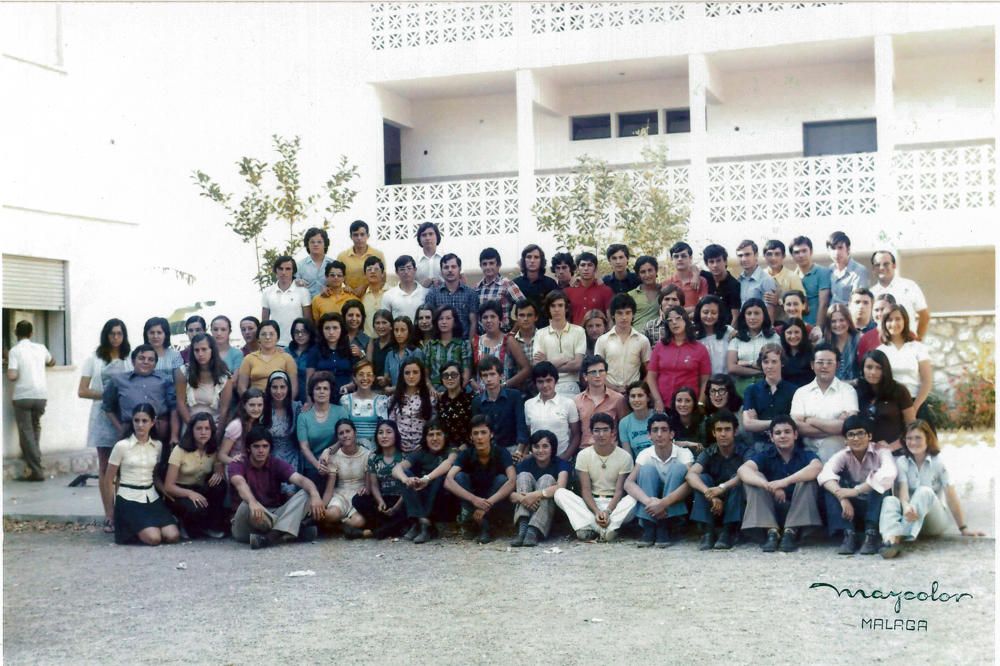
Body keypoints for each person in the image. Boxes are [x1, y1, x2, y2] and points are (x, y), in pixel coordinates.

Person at [879, 420, 984, 558]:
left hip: (933, 522)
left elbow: (951, 496)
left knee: (924, 491)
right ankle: (891, 542)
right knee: (890, 500)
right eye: (909, 438)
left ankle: (899, 534)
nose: (913, 442)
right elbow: (902, 493)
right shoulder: (902, 462)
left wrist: (963, 528)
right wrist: (905, 507)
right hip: (911, 516)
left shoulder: (938, 462)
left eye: (918, 438)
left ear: (928, 439)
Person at [737, 415, 823, 552]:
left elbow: (817, 467)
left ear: (795, 435)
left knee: (809, 479)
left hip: (799, 511)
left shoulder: (805, 455)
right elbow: (743, 470)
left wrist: (783, 482)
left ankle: (790, 532)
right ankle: (771, 532)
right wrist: (768, 485)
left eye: (787, 432)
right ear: (771, 437)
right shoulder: (765, 455)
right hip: (770, 511)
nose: (782, 436)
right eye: (777, 433)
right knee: (754, 478)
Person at [229, 427, 325, 549]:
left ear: (270, 448)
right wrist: (253, 502)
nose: (261, 450)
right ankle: (290, 530)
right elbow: (240, 483)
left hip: (273, 513)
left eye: (265, 446)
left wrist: (315, 495)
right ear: (248, 448)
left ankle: (270, 537)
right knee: (246, 505)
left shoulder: (275, 463)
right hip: (247, 521)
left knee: (307, 493)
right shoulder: (238, 463)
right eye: (256, 446)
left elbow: (301, 480)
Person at [102, 403, 181, 546]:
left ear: (153, 422)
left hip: (151, 497)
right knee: (154, 538)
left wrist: (165, 490)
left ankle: (144, 527)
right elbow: (108, 480)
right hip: (128, 498)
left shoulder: (158, 445)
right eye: (136, 420)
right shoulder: (121, 446)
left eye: (144, 421)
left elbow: (154, 475)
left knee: (173, 535)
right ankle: (130, 527)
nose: (140, 425)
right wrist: (110, 511)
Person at [80, 319, 133, 526]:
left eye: (119, 334)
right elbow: (82, 390)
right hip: (102, 416)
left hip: (124, 416)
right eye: (112, 334)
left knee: (123, 467)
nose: (116, 338)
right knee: (105, 467)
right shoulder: (94, 358)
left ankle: (122, 513)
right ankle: (109, 514)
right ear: (106, 335)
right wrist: (107, 395)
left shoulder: (129, 357)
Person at [819, 415, 896, 555]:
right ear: (845, 440)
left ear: (870, 436)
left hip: (876, 507)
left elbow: (888, 473)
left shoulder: (881, 452)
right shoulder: (842, 455)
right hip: (853, 509)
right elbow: (824, 475)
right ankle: (849, 535)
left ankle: (871, 535)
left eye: (861, 433)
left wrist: (855, 491)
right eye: (851, 435)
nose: (856, 438)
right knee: (831, 487)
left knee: (880, 484)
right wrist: (842, 497)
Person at [556, 413, 637, 542]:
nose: (601, 434)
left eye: (605, 430)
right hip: (591, 504)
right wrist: (597, 512)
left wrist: (608, 512)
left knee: (634, 499)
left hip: (615, 506)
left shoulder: (624, 456)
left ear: (612, 433)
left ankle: (592, 527)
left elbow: (619, 491)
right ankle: (605, 530)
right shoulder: (583, 455)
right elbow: (586, 490)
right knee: (560, 493)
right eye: (597, 430)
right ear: (591, 433)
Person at [622, 411, 691, 546]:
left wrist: (664, 503)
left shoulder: (684, 454)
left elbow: (690, 483)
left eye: (664, 430)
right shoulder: (645, 454)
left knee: (678, 468)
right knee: (647, 469)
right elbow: (628, 483)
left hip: (672, 501)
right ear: (649, 435)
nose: (659, 434)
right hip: (652, 499)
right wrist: (650, 502)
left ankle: (665, 526)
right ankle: (649, 526)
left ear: (672, 434)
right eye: (655, 430)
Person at [445, 415, 517, 543]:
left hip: (493, 499)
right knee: (459, 477)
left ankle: (486, 525)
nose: (479, 437)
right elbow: (448, 481)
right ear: (471, 437)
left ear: (491, 435)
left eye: (483, 432)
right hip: (472, 498)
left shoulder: (501, 452)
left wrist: (486, 504)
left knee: (502, 479)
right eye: (475, 433)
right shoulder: (466, 454)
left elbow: (512, 481)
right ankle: (472, 522)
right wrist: (474, 500)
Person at [102, 345, 178, 459]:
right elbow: (108, 407)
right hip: (131, 430)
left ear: (155, 364)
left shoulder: (165, 380)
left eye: (151, 359)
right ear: (133, 361)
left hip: (159, 429)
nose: (146, 362)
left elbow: (173, 407)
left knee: (158, 467)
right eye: (141, 358)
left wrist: (174, 435)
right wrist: (120, 428)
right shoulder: (118, 380)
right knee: (130, 465)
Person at [687, 410, 748, 550]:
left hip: (736, 503)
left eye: (727, 429)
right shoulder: (709, 452)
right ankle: (708, 532)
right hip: (713, 504)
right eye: (719, 430)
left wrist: (722, 487)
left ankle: (729, 532)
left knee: (739, 477)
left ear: (735, 431)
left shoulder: (745, 451)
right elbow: (691, 475)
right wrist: (709, 494)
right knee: (702, 478)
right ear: (714, 433)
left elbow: (749, 473)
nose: (723, 434)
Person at [791, 342, 859, 462]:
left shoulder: (848, 391)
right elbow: (797, 427)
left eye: (829, 362)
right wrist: (835, 427)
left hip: (838, 454)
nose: (824, 366)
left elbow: (849, 426)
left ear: (837, 365)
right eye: (820, 362)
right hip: (807, 453)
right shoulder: (801, 393)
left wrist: (811, 420)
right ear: (812, 365)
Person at [394, 420, 458, 543]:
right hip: (422, 497)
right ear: (425, 438)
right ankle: (422, 521)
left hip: (442, 500)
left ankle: (421, 522)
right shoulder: (420, 453)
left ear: (445, 436)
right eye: (431, 435)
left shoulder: (452, 451)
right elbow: (396, 468)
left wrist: (427, 478)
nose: (435, 438)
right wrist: (406, 479)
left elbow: (448, 463)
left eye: (439, 434)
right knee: (404, 474)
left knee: (439, 476)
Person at [163, 412, 227, 539]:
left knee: (220, 485)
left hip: (200, 487)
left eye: (207, 428)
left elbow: (219, 466)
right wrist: (189, 494)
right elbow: (168, 486)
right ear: (191, 430)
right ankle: (183, 524)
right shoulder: (179, 450)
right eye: (199, 428)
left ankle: (210, 526)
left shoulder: (213, 449)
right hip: (179, 492)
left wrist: (219, 471)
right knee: (196, 509)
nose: (203, 432)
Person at [7, 320, 55, 481]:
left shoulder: (15, 351)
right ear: (31, 333)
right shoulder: (41, 348)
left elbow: (12, 376)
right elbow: (52, 361)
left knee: (26, 432)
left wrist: (8, 363)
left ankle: (37, 469)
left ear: (16, 334)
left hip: (23, 396)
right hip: (41, 395)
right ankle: (34, 461)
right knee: (35, 428)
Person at [510, 429, 571, 547]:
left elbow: (561, 486)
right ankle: (522, 530)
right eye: (536, 446)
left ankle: (533, 531)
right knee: (523, 476)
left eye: (545, 446)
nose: (540, 450)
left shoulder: (560, 463)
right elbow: (510, 494)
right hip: (526, 505)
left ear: (552, 448)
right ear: (531, 449)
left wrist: (534, 495)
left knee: (547, 479)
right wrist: (524, 498)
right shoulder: (525, 464)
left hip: (548, 511)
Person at [351, 420, 408, 539]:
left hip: (401, 500)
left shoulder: (404, 457)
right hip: (384, 499)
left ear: (396, 435)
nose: (384, 436)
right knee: (358, 499)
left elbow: (408, 487)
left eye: (388, 432)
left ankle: (372, 532)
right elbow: (374, 485)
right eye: (380, 433)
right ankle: (394, 528)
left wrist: (396, 507)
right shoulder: (373, 457)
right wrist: (380, 501)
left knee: (407, 510)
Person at [876, 304, 933, 423]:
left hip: (916, 403)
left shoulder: (918, 348)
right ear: (884, 323)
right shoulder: (880, 351)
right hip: (891, 406)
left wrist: (914, 408)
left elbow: (927, 381)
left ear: (905, 321)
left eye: (898, 319)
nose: (894, 323)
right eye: (889, 320)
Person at [647, 305, 711, 411]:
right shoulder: (660, 346)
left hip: (689, 406)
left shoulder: (700, 349)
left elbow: (705, 381)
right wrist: (657, 400)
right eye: (670, 320)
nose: (674, 322)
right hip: (664, 404)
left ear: (686, 320)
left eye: (678, 318)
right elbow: (651, 377)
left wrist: (700, 403)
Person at [316, 419, 370, 536]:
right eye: (341, 433)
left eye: (348, 431)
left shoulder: (367, 455)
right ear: (338, 437)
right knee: (331, 514)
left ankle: (337, 527)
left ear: (354, 433)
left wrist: (366, 489)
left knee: (358, 521)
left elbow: (368, 484)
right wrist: (322, 507)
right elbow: (330, 488)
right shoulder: (335, 457)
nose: (345, 435)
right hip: (340, 494)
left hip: (358, 496)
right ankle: (346, 529)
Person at [856, 350, 915, 454]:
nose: (873, 372)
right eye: (869, 367)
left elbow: (912, 427)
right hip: (865, 453)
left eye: (879, 368)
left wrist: (892, 446)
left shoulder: (899, 391)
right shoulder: (857, 390)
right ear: (862, 369)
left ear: (886, 370)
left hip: (895, 451)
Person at [296, 371, 348, 485]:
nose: (322, 392)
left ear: (330, 391)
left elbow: (345, 438)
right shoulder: (303, 417)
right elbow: (304, 447)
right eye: (318, 388)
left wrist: (328, 451)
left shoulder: (341, 412)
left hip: (338, 463)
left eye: (325, 388)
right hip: (312, 466)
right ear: (312, 391)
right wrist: (318, 466)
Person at [742, 344, 797, 453]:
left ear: (782, 363)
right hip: (760, 446)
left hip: (787, 447)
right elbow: (748, 424)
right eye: (765, 362)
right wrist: (781, 421)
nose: (769, 366)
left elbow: (794, 423)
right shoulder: (751, 390)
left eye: (774, 361)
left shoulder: (794, 390)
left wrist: (759, 422)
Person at [471, 356, 528, 458]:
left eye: (492, 374)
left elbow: (521, 425)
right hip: (488, 450)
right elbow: (476, 430)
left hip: (512, 448)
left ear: (501, 376)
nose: (489, 379)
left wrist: (519, 450)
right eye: (485, 375)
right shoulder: (477, 401)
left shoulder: (514, 396)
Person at [594, 293, 651, 394]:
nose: (624, 317)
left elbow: (650, 371)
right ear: (613, 315)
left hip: (634, 394)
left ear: (633, 315)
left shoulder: (642, 340)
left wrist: (639, 389)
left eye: (628, 313)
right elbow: (597, 371)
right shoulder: (602, 340)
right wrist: (614, 388)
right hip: (608, 392)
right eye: (620, 313)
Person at [523, 362, 581, 461]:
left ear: (556, 381)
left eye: (549, 380)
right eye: (540, 381)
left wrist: (565, 457)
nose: (545, 385)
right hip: (537, 460)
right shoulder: (528, 404)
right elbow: (530, 433)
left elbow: (576, 435)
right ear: (535, 383)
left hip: (561, 458)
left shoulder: (568, 403)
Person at [532, 290, 586, 396]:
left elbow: (577, 364)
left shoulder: (579, 331)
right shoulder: (540, 334)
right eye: (553, 306)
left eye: (560, 305)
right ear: (548, 309)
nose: (557, 309)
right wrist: (564, 360)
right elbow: (537, 366)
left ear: (566, 308)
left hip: (571, 384)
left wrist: (548, 362)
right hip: (546, 384)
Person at [175, 333, 233, 426]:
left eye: (204, 349)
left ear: (212, 350)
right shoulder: (183, 372)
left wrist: (217, 433)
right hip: (189, 422)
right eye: (196, 350)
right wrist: (192, 428)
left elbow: (224, 410)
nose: (200, 354)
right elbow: (180, 403)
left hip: (214, 425)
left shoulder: (224, 377)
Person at [870, 250, 930, 339]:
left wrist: (918, 339)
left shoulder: (909, 286)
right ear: (873, 269)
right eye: (877, 265)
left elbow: (924, 316)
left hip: (907, 343)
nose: (881, 268)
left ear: (894, 266)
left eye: (886, 264)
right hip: (881, 346)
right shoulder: (871, 293)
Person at [727, 298, 780, 396]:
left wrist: (746, 364)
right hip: (741, 391)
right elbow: (732, 368)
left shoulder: (774, 338)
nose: (752, 317)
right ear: (744, 316)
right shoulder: (737, 339)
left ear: (764, 315)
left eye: (756, 313)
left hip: (768, 389)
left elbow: (776, 364)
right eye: (749, 313)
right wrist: (760, 372)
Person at [574, 355, 627, 449]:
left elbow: (623, 429)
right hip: (585, 451)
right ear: (585, 376)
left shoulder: (618, 399)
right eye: (593, 372)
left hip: (610, 450)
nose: (598, 375)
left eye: (601, 371)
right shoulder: (577, 401)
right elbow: (576, 432)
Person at [472, 300, 529, 386]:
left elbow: (526, 369)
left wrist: (506, 385)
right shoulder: (476, 342)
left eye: (493, 317)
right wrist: (475, 385)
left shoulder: (509, 341)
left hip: (505, 394)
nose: (489, 320)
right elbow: (469, 371)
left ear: (500, 319)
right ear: (480, 320)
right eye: (485, 317)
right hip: (482, 396)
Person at [237, 320, 298, 399]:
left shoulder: (287, 358)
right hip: (256, 405)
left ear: (278, 338)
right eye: (263, 334)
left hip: (280, 404)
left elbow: (294, 387)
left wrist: (286, 404)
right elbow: (241, 387)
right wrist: (251, 402)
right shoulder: (249, 359)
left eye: (271, 334)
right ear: (258, 338)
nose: (268, 337)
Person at [423, 253, 479, 338]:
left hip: (464, 344)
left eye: (453, 267)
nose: (450, 270)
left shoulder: (471, 294)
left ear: (459, 269)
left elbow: (473, 322)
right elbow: (430, 322)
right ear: (441, 271)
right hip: (440, 345)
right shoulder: (432, 294)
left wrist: (469, 345)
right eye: (446, 267)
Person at [262, 370, 302, 488]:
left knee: (290, 493)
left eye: (282, 387)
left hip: (292, 456)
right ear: (269, 389)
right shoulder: (263, 408)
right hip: (269, 456)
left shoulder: (296, 407)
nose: (278, 391)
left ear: (288, 388)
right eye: (274, 387)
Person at [261, 255, 311, 347]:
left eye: (288, 269)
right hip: (275, 344)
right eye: (280, 268)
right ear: (276, 270)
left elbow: (307, 320)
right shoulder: (267, 292)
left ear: (293, 271)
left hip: (298, 343)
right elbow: (265, 321)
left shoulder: (303, 291)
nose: (284, 272)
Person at [388, 358, 436, 453]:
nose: (411, 376)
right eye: (407, 373)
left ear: (421, 374)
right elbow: (391, 425)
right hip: (398, 449)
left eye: (415, 372)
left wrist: (423, 444)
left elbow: (432, 426)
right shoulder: (394, 399)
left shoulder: (430, 399)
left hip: (423, 450)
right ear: (402, 375)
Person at [340, 360, 389, 450]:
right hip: (352, 452)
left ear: (374, 378)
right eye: (361, 374)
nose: (365, 378)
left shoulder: (381, 401)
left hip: (374, 453)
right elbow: (343, 430)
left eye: (369, 374)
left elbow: (385, 431)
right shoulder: (345, 400)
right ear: (354, 378)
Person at [423, 304, 472, 391]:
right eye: (441, 319)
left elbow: (466, 374)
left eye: (448, 318)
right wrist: (431, 389)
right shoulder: (430, 346)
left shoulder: (463, 345)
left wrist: (454, 393)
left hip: (458, 390)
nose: (444, 322)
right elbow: (425, 375)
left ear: (455, 322)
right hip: (434, 390)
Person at [476, 247, 525, 332]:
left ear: (499, 265)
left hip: (503, 334)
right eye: (484, 264)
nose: (488, 267)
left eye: (491, 263)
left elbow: (525, 307)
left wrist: (513, 333)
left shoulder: (507, 284)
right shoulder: (477, 288)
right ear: (481, 266)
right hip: (483, 337)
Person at [305, 312, 353, 399]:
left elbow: (356, 379)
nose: (331, 332)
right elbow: (309, 380)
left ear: (341, 329)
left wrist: (349, 386)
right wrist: (309, 402)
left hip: (346, 397)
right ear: (321, 330)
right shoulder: (314, 351)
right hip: (321, 398)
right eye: (327, 328)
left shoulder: (350, 350)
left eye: (335, 328)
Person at [789, 236, 832, 328]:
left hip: (818, 328)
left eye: (804, 251)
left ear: (811, 252)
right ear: (792, 256)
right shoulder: (792, 276)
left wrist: (818, 328)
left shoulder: (822, 272)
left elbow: (823, 304)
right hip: (798, 330)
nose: (801, 255)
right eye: (796, 252)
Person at [336, 220, 385, 298]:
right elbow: (336, 277)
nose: (359, 238)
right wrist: (344, 287)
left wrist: (365, 286)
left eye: (362, 234)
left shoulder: (378, 255)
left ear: (368, 236)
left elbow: (383, 278)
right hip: (348, 299)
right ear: (351, 237)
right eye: (355, 235)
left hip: (371, 298)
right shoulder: (342, 257)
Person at [513, 244, 558, 329]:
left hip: (545, 331)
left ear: (541, 261)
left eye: (536, 257)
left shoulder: (550, 284)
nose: (532, 260)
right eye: (529, 257)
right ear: (524, 260)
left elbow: (557, 309)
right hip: (521, 333)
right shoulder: (515, 284)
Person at [218, 388, 266, 466]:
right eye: (252, 405)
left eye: (260, 405)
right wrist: (234, 461)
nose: (256, 409)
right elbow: (222, 455)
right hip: (235, 466)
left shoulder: (260, 423)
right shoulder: (236, 425)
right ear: (244, 405)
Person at [735, 240, 778, 322]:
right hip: (743, 329)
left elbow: (770, 313)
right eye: (740, 255)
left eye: (747, 254)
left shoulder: (766, 280)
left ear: (756, 255)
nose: (744, 259)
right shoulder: (739, 280)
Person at [565, 251, 613, 325]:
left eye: (590, 265)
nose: (586, 268)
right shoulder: (568, 291)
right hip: (575, 334)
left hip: (598, 334)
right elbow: (565, 318)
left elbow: (610, 319)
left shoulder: (605, 291)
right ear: (577, 268)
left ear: (595, 268)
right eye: (583, 265)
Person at [693, 295, 735, 376]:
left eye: (714, 313)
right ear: (699, 313)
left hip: (727, 381)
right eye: (705, 312)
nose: (709, 316)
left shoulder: (728, 331)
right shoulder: (693, 334)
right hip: (704, 382)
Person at [762, 239, 804, 320]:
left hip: (787, 325)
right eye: (769, 254)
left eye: (777, 254)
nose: (773, 258)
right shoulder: (760, 276)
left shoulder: (792, 277)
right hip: (764, 325)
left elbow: (803, 305)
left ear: (783, 256)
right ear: (764, 256)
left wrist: (779, 301)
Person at [700, 243, 741, 324]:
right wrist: (695, 275)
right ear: (706, 264)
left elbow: (735, 317)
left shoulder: (734, 285)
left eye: (718, 260)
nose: (715, 265)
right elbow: (691, 268)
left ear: (725, 261)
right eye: (711, 262)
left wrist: (729, 334)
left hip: (725, 329)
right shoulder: (705, 277)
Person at [437, 361, 473, 450]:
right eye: (445, 375)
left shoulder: (471, 399)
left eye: (454, 375)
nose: (449, 378)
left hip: (467, 448)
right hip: (445, 448)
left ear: (460, 376)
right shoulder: (440, 401)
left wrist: (462, 447)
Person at [827, 231, 870, 306]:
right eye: (833, 248)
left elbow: (859, 302)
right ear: (828, 251)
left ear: (848, 249)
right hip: (831, 316)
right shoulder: (829, 270)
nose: (836, 252)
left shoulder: (859, 271)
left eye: (840, 248)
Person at [382, 255, 428, 322]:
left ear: (415, 270)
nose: (406, 272)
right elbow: (385, 320)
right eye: (402, 269)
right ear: (396, 272)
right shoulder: (388, 295)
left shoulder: (426, 293)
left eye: (409, 268)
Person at [505, 299, 538, 392]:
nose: (525, 319)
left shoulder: (544, 336)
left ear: (536, 317)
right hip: (518, 390)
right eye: (521, 315)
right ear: (516, 317)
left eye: (529, 315)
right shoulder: (510, 341)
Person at [822, 303, 860, 384]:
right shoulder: (823, 343)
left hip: (855, 389)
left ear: (849, 321)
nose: (838, 324)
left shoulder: (859, 340)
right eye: (833, 321)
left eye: (842, 320)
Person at [666, 242, 709, 313]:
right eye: (676, 256)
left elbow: (703, 307)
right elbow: (665, 310)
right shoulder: (666, 284)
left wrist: (678, 312)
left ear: (690, 258)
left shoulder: (701, 281)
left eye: (683, 256)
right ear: (671, 259)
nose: (680, 259)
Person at [384, 315, 423, 393]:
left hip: (413, 396)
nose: (399, 334)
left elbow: (420, 380)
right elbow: (387, 379)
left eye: (403, 330)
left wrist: (395, 388)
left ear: (409, 331)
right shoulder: (390, 355)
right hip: (394, 397)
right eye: (396, 330)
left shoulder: (416, 352)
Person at [856, 293, 897, 362]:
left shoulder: (907, 335)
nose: (879, 314)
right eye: (876, 310)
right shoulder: (866, 338)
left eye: (883, 309)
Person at [294, 226, 334, 298]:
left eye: (319, 242)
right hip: (306, 304)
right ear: (307, 245)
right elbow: (292, 285)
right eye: (312, 242)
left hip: (328, 304)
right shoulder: (300, 265)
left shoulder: (333, 264)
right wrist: (297, 282)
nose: (315, 244)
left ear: (325, 244)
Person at [618, 381, 654, 459]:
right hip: (638, 467)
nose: (636, 400)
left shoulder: (659, 416)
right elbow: (628, 456)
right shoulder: (624, 423)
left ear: (648, 398)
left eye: (640, 395)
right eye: (633, 396)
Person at [629, 255, 662, 331]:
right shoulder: (630, 296)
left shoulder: (664, 292)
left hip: (658, 337)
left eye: (650, 270)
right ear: (638, 275)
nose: (647, 275)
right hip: (637, 338)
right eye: (643, 272)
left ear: (656, 271)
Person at [286, 317, 316, 402]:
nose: (300, 335)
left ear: (310, 333)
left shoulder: (315, 352)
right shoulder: (286, 352)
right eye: (296, 332)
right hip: (288, 398)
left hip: (309, 399)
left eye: (304, 332)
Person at [779, 317, 815, 388]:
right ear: (784, 334)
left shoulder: (812, 352)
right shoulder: (780, 354)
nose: (793, 336)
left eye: (797, 332)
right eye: (789, 333)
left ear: (803, 333)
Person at [672, 386, 706, 453]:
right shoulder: (670, 422)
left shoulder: (704, 422)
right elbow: (666, 445)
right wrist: (687, 443)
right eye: (679, 400)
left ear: (694, 403)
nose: (683, 404)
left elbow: (706, 448)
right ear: (674, 403)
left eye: (687, 401)